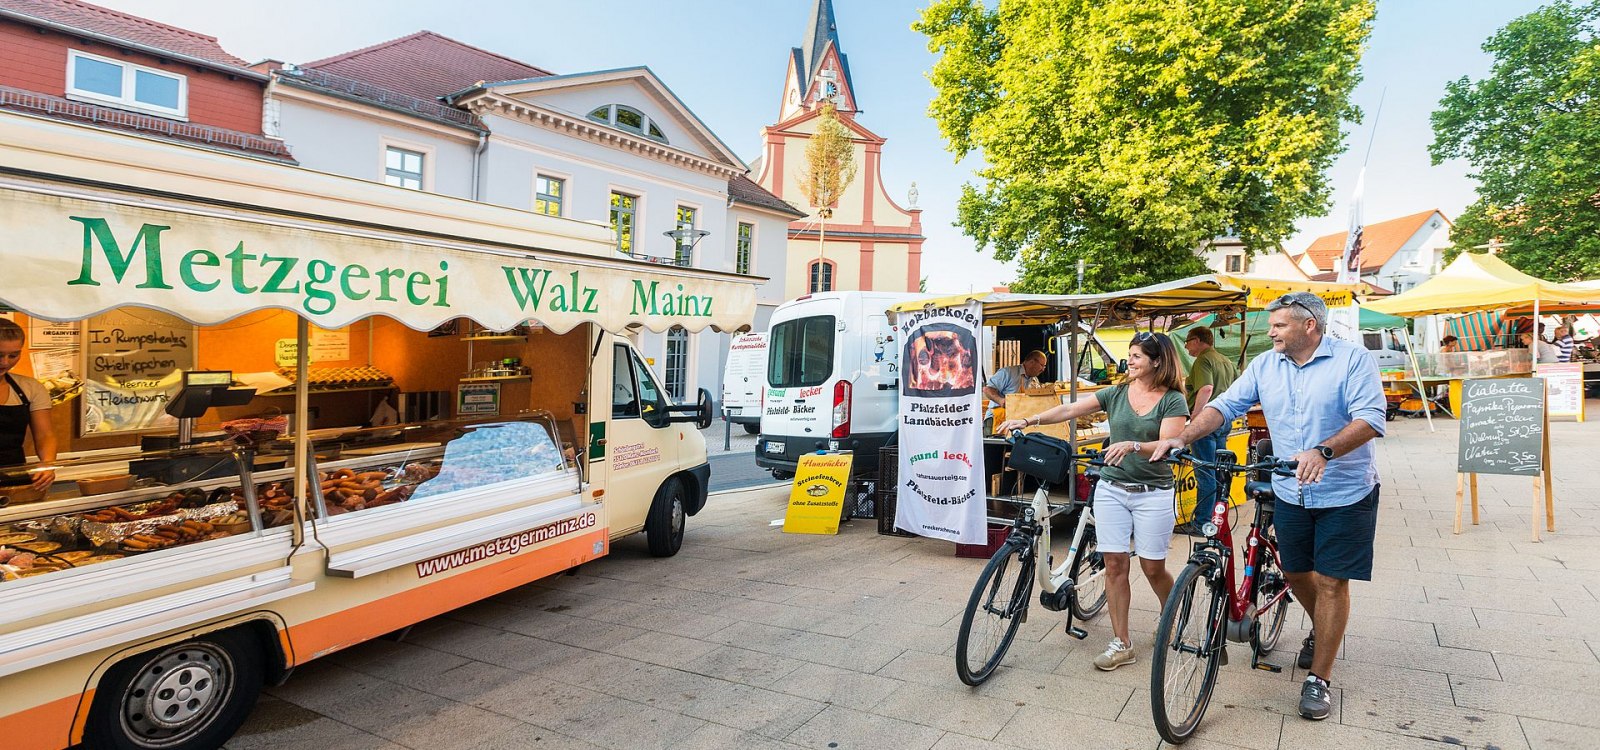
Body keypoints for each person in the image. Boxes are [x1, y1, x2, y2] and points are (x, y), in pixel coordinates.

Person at [1150, 291, 1385, 721]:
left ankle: (1319, 677)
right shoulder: (1265, 365)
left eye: (1278, 326)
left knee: (1332, 581)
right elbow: (1224, 405)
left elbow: (1370, 418)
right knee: (1295, 572)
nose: (1271, 332)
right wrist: (1181, 436)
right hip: (1290, 488)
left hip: (1345, 491)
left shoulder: (1352, 360)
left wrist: (1323, 451)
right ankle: (1324, 627)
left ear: (1309, 325)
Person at [998, 333, 1188, 671]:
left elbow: (1169, 443)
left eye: (1137, 356)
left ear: (1157, 361)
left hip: (1152, 493)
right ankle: (1122, 643)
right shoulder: (1116, 393)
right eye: (1129, 355)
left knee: (1152, 567)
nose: (1129, 361)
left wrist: (1132, 445)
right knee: (1114, 564)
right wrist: (1028, 420)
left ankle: (1171, 610)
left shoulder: (1171, 400)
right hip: (1113, 489)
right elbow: (1071, 408)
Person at [1182, 327, 1237, 517]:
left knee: (1205, 472)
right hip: (1223, 420)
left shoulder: (1203, 360)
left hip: (1206, 422)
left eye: (1187, 342)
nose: (1187, 347)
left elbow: (1206, 388)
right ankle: (1217, 517)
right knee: (1218, 470)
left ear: (1197, 340)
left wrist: (1196, 418)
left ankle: (1202, 520)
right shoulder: (1225, 360)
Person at [0, 320, 57, 490]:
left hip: (14, 478)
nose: (5, 362)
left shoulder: (30, 388)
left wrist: (47, 464)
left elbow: (45, 435)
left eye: (13, 355)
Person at [983, 350, 1047, 432]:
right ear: (1031, 362)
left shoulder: (1034, 380)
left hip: (1018, 421)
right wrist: (1000, 400)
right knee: (996, 444)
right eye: (1042, 365)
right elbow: (987, 389)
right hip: (998, 419)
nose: (1043, 369)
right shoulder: (1007, 372)